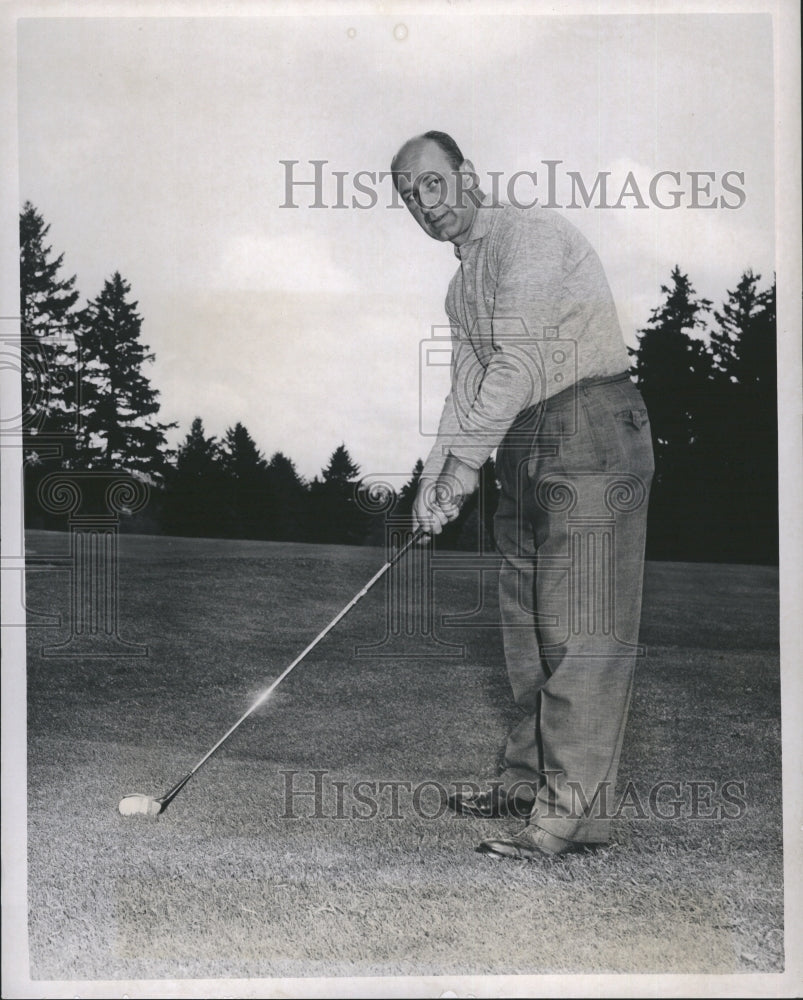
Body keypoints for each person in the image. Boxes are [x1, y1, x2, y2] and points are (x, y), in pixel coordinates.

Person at [390, 131, 655, 859]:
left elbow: (517, 364)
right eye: (409, 196)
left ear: (467, 176)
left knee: (581, 628)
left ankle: (570, 815)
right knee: (527, 625)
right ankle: (524, 781)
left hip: (590, 426)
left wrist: (463, 467)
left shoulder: (529, 237)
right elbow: (466, 392)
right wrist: (433, 481)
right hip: (522, 443)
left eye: (432, 184)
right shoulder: (459, 285)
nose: (424, 204)